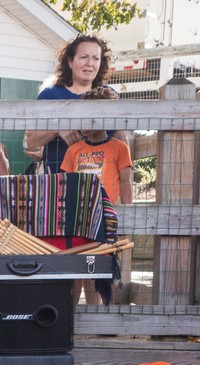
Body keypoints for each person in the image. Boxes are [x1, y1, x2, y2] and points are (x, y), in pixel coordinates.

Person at [60, 86, 133, 304]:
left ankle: (101, 318)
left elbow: (125, 181)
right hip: (79, 218)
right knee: (76, 271)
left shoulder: (119, 148)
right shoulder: (74, 150)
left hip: (106, 217)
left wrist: (128, 216)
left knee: (100, 268)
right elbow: (66, 185)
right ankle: (71, 322)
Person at [23, 35, 126, 174]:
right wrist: (57, 128)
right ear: (70, 61)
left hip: (104, 185)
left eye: (96, 58)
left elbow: (121, 139)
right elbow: (30, 142)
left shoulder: (109, 95)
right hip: (59, 183)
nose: (90, 63)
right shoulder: (51, 95)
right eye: (84, 57)